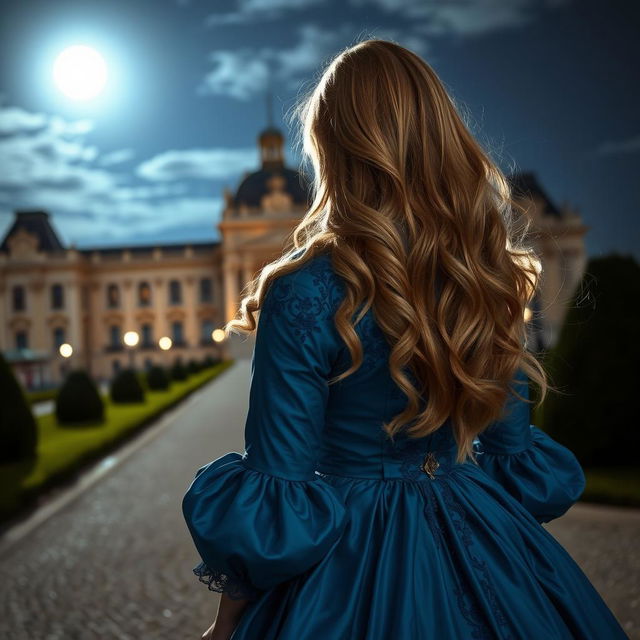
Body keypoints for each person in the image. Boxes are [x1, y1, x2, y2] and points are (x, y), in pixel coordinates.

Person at [181, 39, 629, 640]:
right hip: (480, 527)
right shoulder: (480, 274)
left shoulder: (303, 289)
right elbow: (512, 452)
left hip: (350, 549)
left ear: (333, 149)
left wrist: (227, 621)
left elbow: (278, 480)